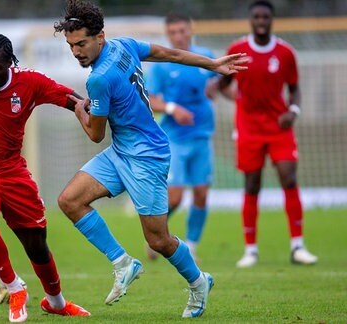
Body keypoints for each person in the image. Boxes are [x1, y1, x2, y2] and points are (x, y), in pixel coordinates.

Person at [53, 0, 247, 317]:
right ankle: (123, 262)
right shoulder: (125, 45)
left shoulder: (98, 79)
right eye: (71, 45)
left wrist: (79, 110)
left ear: (99, 37)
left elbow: (95, 134)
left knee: (158, 240)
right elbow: (169, 54)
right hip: (122, 152)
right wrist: (211, 64)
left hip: (147, 156)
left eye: (81, 43)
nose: (76, 52)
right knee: (70, 200)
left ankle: (199, 282)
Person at [0, 33, 90, 322]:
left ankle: (56, 302)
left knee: (37, 245)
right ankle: (15, 287)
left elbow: (71, 99)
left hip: (14, 174)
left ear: (10, 63)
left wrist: (98, 113)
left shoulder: (29, 82)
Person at [214, 0, 318, 268]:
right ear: (251, 20)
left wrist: (293, 111)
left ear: (272, 19)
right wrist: (234, 99)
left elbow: (294, 88)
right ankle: (251, 250)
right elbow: (222, 82)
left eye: (265, 17)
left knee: (288, 177)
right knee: (252, 185)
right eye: (257, 16)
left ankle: (298, 246)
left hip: (279, 127)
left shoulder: (285, 52)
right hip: (249, 129)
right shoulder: (237, 51)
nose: (261, 20)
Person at [144, 13, 218, 261]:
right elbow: (151, 100)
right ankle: (156, 237)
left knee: (201, 194)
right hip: (174, 138)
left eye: (182, 31)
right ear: (168, 34)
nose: (178, 36)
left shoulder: (204, 55)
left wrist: (215, 89)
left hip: (202, 135)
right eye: (173, 32)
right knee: (175, 196)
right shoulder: (161, 65)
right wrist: (174, 109)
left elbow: (219, 80)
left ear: (190, 30)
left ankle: (192, 246)